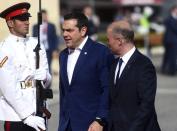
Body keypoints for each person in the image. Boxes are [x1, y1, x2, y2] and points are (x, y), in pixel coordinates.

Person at [58, 12, 114, 131]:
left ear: (83, 31)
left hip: (91, 125)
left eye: (69, 30)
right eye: (63, 30)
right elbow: (65, 93)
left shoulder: (100, 52)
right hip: (67, 125)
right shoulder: (63, 55)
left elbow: (107, 89)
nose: (64, 34)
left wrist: (100, 119)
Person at [0, 2, 51, 131]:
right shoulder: (5, 48)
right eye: (22, 19)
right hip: (16, 116)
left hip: (39, 109)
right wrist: (27, 116)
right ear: (10, 23)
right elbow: (8, 88)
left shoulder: (36, 44)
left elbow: (47, 80)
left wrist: (45, 77)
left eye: (27, 18)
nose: (27, 22)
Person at [106, 20, 161, 131]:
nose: (107, 43)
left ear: (119, 41)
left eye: (109, 40)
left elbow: (146, 105)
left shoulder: (144, 65)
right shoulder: (113, 64)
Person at [161, 5, 177, 75]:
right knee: (172, 55)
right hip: (171, 40)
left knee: (171, 55)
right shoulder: (169, 19)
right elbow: (175, 28)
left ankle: (168, 69)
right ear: (173, 10)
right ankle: (172, 71)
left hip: (175, 40)